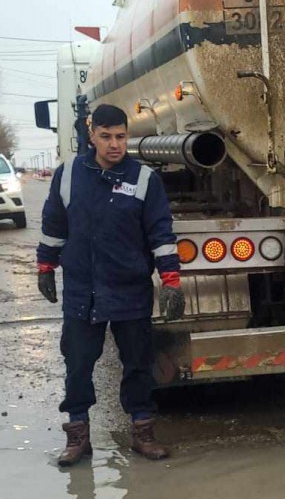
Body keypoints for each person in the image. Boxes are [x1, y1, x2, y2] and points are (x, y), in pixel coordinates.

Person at [37, 104, 185, 465]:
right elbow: (54, 224)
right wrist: (45, 265)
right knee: (78, 365)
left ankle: (143, 433)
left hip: (129, 290)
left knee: (136, 364)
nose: (115, 144)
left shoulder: (144, 178)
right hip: (81, 292)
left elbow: (161, 234)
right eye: (106, 137)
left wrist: (170, 280)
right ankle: (77, 437)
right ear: (92, 136)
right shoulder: (69, 174)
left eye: (120, 136)